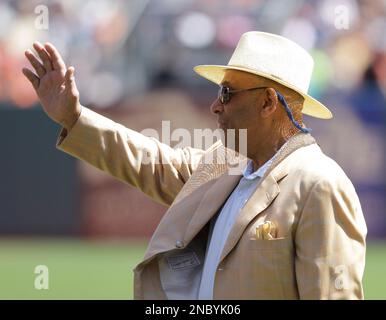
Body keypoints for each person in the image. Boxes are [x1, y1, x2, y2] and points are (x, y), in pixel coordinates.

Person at [22, 31, 367, 299]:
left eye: (228, 93)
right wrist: (74, 117)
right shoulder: (226, 164)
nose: (216, 106)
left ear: (267, 102)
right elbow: (151, 164)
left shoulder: (318, 183)